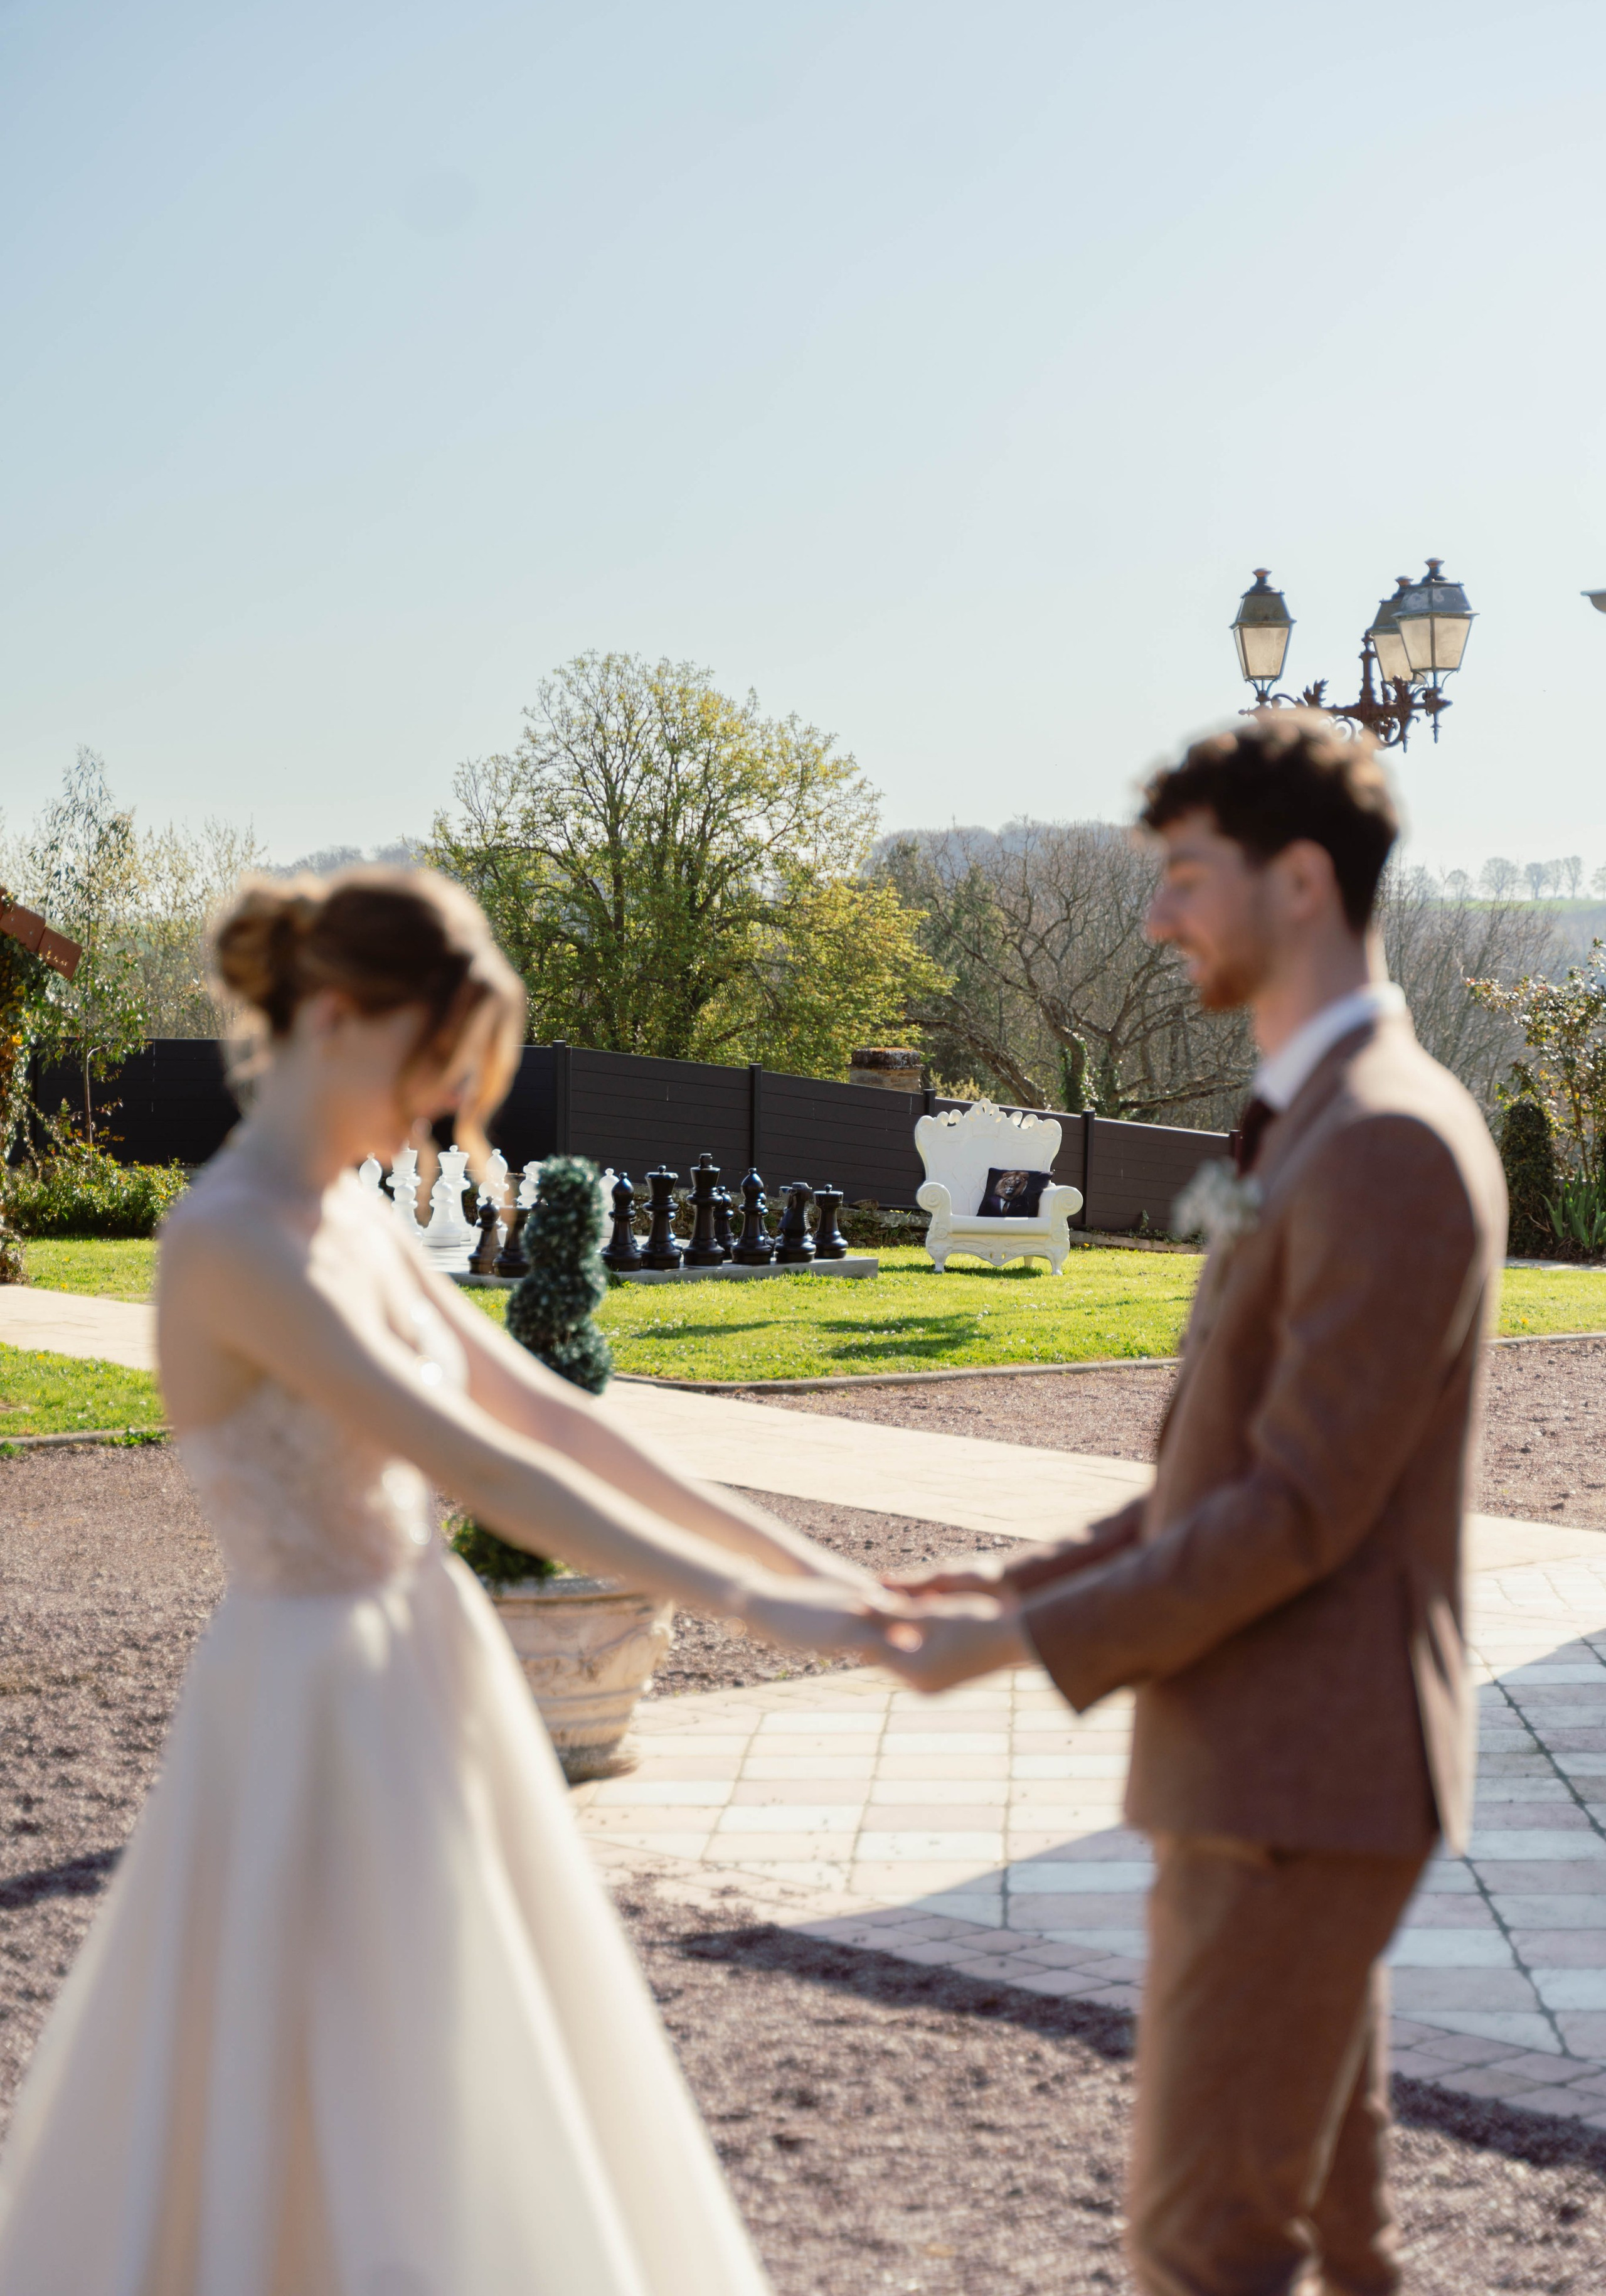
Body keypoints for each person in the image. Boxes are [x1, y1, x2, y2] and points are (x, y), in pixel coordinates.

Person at [0, 867, 905, 2296]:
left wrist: (826, 1572)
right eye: (435, 1068)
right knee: (327, 2095)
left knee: (469, 2078)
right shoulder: (229, 1238)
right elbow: (487, 1466)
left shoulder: (350, 1219)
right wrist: (762, 1611)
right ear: (336, 1020)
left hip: (427, 1662)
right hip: (306, 1699)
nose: (444, 1109)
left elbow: (555, 1418)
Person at [883, 714, 1507, 2296]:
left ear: (1298, 882)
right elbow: (1207, 1475)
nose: (1156, 917)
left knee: (1199, 2248)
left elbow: (1291, 1511)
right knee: (1335, 2249)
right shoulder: (1304, 1122)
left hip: (1297, 1787)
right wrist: (1012, 1582)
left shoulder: (1383, 1142)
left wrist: (1016, 1643)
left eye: (1183, 874)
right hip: (1281, 1778)